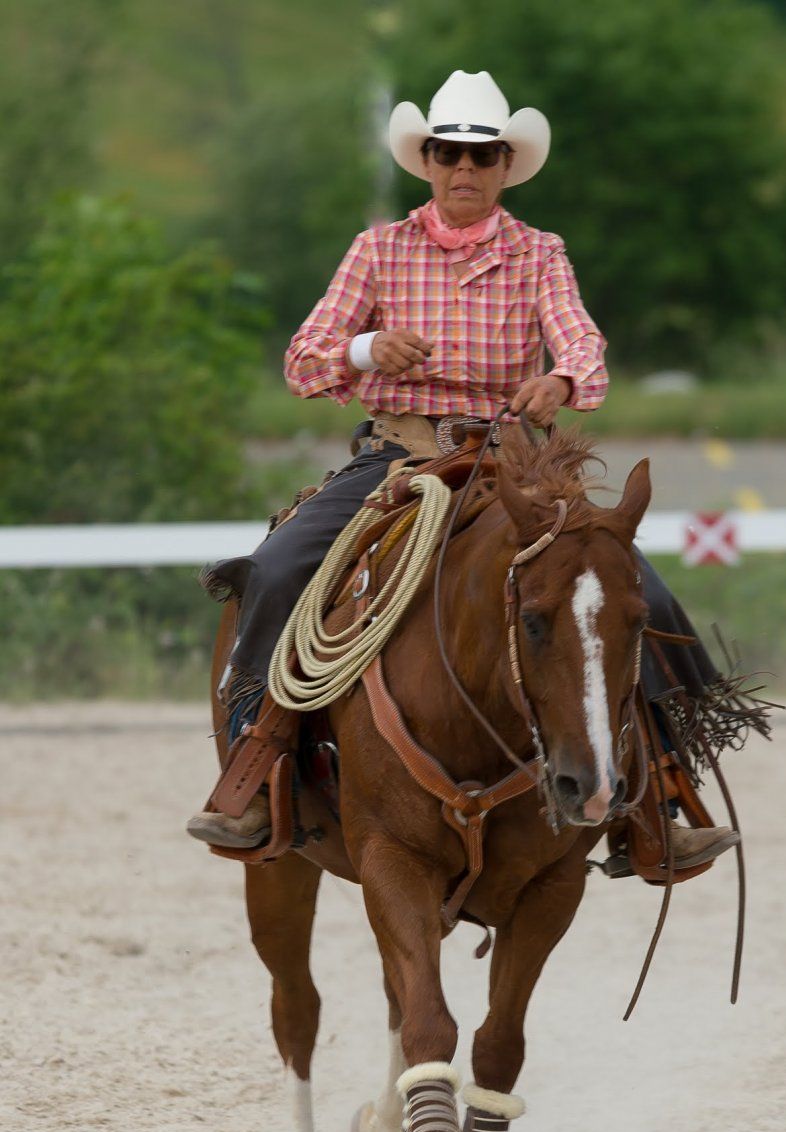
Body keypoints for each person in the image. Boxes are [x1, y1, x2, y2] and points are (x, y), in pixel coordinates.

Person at [187, 70, 741, 867]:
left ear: (507, 166)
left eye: (483, 157)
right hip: (401, 457)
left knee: (631, 594)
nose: (465, 171)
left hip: (512, 461)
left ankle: (661, 794)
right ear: (429, 160)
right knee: (277, 568)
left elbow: (581, 342)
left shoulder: (539, 253)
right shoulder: (378, 250)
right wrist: (367, 349)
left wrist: (560, 380)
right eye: (450, 154)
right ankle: (256, 768)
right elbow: (304, 361)